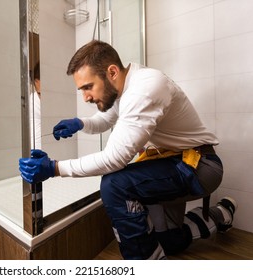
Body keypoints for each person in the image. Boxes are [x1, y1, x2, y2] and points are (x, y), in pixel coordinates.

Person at [19, 40, 237, 260]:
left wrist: (54, 168)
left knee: (115, 185)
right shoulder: (127, 83)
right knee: (169, 243)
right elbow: (105, 119)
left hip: (200, 166)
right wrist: (80, 123)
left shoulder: (144, 89)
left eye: (88, 87)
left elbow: (114, 159)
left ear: (112, 71)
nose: (85, 97)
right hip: (173, 164)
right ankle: (221, 213)